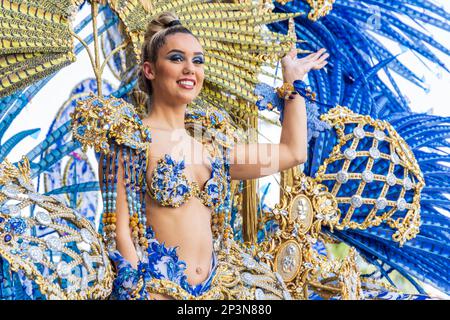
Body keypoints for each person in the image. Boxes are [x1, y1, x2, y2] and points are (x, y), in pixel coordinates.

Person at [100, 11, 328, 300]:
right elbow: (120, 235)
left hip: (216, 294)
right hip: (156, 294)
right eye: (176, 58)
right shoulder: (130, 139)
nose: (189, 69)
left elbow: (292, 153)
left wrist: (294, 83)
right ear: (150, 70)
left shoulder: (212, 151)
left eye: (197, 60)